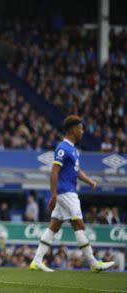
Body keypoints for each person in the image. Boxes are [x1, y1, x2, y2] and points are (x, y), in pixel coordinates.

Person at [30, 115, 115, 273]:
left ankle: (36, 261)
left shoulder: (73, 149)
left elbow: (76, 171)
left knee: (54, 225)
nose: (82, 131)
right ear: (73, 129)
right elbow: (54, 172)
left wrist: (89, 180)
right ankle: (93, 263)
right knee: (78, 224)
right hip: (66, 193)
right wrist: (54, 195)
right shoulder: (63, 148)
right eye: (80, 128)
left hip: (67, 192)